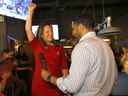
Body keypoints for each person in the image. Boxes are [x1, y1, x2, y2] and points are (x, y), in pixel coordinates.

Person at [41, 16, 118, 96]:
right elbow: (115, 78)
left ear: (81, 27)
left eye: (74, 28)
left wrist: (50, 78)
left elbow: (71, 86)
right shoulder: (105, 45)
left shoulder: (82, 47)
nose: (72, 31)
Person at [25, 3, 69, 96]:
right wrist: (30, 11)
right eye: (47, 32)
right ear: (41, 34)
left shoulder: (59, 47)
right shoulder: (37, 45)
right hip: (39, 88)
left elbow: (64, 68)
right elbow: (28, 30)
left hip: (55, 88)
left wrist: (66, 86)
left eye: (51, 31)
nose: (50, 34)